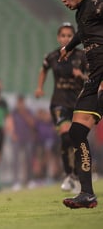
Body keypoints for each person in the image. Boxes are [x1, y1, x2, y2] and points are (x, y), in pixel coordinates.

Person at [58, 0, 103, 208]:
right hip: (94, 77)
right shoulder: (81, 13)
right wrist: (70, 46)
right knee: (76, 132)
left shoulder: (98, 5)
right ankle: (87, 193)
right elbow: (83, 31)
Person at [34, 22, 87, 193]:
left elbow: (94, 76)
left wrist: (82, 76)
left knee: (77, 140)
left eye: (69, 35)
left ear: (74, 38)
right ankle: (68, 175)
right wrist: (39, 87)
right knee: (65, 137)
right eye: (63, 35)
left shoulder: (83, 56)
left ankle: (79, 176)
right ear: (58, 37)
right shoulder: (52, 56)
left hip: (78, 104)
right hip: (59, 102)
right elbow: (43, 70)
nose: (66, 38)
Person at [9, 95, 36, 191]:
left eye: (22, 102)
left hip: (28, 138)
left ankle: (30, 180)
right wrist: (12, 133)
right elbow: (10, 123)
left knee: (29, 160)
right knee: (15, 161)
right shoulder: (13, 112)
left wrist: (24, 114)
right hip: (17, 138)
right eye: (19, 102)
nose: (20, 104)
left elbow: (32, 123)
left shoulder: (28, 112)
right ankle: (16, 182)